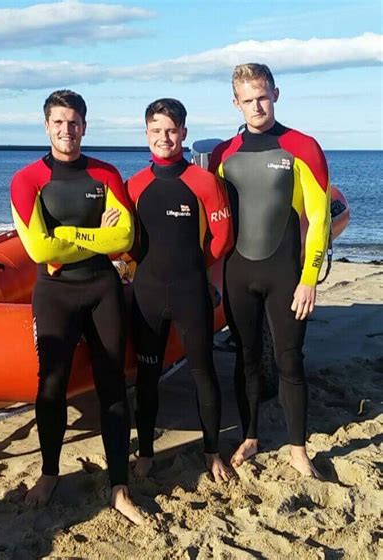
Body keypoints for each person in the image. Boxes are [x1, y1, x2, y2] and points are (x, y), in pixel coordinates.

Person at [10, 89, 143, 523]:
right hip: (55, 293)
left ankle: (119, 484)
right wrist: (92, 238)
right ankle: (50, 473)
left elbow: (122, 239)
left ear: (85, 125)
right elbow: (36, 247)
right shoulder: (27, 179)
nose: (67, 130)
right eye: (59, 122)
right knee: (51, 385)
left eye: (75, 122)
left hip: (103, 288)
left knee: (112, 384)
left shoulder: (106, 173)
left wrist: (67, 235)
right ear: (46, 125)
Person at [209, 64, 331, 478]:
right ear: (236, 103)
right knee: (245, 359)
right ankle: (250, 435)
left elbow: (319, 219)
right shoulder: (223, 154)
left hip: (286, 274)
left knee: (289, 360)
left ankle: (298, 449)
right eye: (248, 99)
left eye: (262, 95)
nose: (256, 105)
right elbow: (215, 219)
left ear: (276, 94)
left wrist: (309, 278)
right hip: (238, 274)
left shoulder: (303, 146)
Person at [126, 98, 234, 481]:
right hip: (148, 294)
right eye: (156, 130)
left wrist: (195, 268)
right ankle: (147, 452)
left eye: (171, 130)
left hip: (191, 291)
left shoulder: (204, 182)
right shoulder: (135, 185)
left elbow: (222, 237)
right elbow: (129, 240)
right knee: (147, 376)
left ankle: (211, 451)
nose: (164, 137)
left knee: (203, 373)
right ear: (146, 135)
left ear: (184, 134)